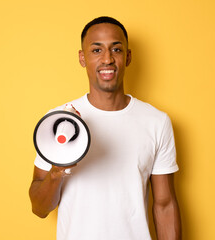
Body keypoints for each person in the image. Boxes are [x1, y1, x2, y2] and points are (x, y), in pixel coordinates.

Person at [29, 16, 182, 240]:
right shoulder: (59, 122)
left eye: (116, 49)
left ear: (128, 57)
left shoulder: (156, 121)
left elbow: (165, 205)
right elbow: (39, 209)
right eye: (96, 50)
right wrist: (58, 170)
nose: (107, 59)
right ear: (82, 58)